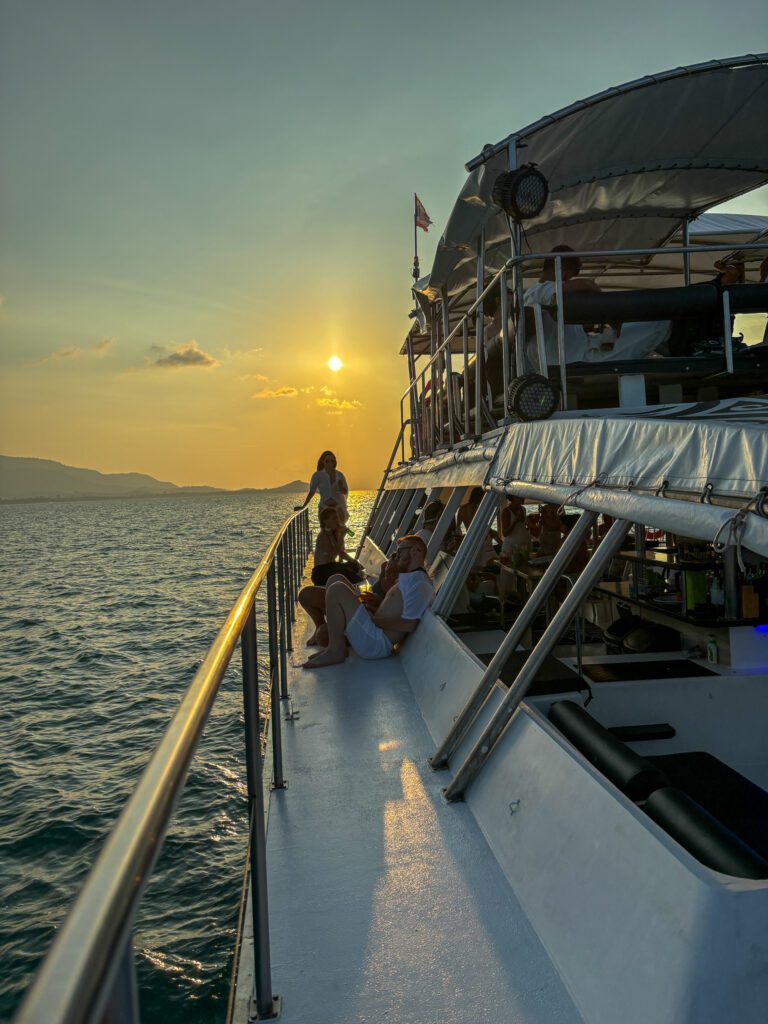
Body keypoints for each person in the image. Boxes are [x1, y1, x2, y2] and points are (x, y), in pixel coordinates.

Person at [524, 245, 671, 367]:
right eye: (572, 274)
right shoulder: (539, 291)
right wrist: (609, 312)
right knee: (659, 322)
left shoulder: (538, 294)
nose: (570, 280)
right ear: (561, 269)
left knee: (635, 330)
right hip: (576, 359)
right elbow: (586, 284)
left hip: (579, 351)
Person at [303, 535, 433, 668]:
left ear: (416, 551)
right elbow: (395, 610)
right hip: (374, 633)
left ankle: (336, 650)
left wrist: (373, 620)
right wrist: (374, 609)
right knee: (336, 578)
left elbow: (409, 625)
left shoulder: (419, 583)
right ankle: (335, 646)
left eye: (400, 552)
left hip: (377, 643)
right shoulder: (411, 578)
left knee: (337, 589)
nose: (396, 556)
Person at [309, 506, 362, 587]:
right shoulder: (323, 535)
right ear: (325, 521)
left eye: (337, 518)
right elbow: (336, 552)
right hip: (321, 572)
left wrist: (354, 561)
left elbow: (341, 553)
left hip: (331, 566)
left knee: (354, 566)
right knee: (348, 574)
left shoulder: (331, 533)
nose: (337, 520)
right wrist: (342, 536)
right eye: (334, 518)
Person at [295, 451, 349, 524]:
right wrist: (303, 506)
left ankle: (347, 532)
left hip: (338, 507)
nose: (330, 463)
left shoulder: (339, 475)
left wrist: (340, 487)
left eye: (332, 461)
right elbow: (311, 492)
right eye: (327, 461)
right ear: (323, 461)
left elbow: (345, 492)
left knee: (340, 531)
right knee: (326, 532)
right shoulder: (317, 476)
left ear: (334, 462)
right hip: (324, 507)